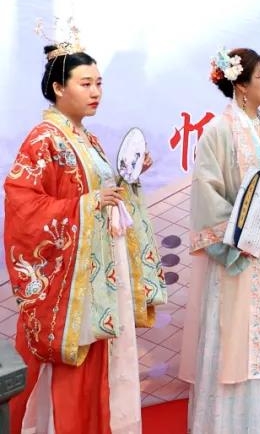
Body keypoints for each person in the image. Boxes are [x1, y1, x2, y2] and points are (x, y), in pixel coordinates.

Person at [5, 35, 166, 434]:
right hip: (71, 281)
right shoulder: (44, 139)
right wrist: (86, 206)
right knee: (72, 365)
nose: (95, 92)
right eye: (85, 83)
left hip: (97, 272)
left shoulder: (85, 138)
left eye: (99, 83)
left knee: (103, 362)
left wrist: (128, 181)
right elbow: (22, 204)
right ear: (59, 88)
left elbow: (101, 195)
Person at [179, 47, 260, 432]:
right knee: (234, 337)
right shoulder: (219, 131)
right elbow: (207, 194)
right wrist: (236, 239)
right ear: (242, 86)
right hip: (238, 252)